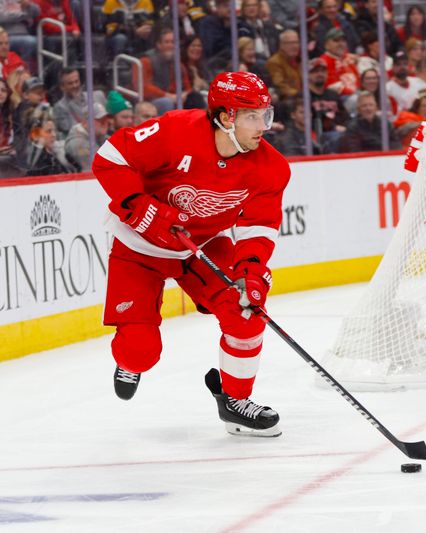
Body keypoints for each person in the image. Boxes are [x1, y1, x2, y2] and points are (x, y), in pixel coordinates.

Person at [91, 71, 290, 437]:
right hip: (138, 247)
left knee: (246, 311)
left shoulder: (271, 167)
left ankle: (234, 401)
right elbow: (109, 159)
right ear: (226, 116)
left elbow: (258, 228)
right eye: (252, 116)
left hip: (202, 246)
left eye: (266, 114)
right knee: (140, 351)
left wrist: (251, 270)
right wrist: (142, 208)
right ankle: (131, 360)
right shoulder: (174, 131)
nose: (263, 126)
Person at [65, 102, 110, 171]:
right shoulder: (77, 143)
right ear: (85, 123)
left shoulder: (102, 137)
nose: (105, 123)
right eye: (100, 120)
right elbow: (99, 168)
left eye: (106, 119)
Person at [265, 29, 301, 99]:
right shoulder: (274, 62)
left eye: (296, 42)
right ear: (281, 45)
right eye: (290, 43)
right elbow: (280, 86)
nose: (295, 46)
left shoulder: (300, 60)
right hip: (288, 101)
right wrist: (299, 94)